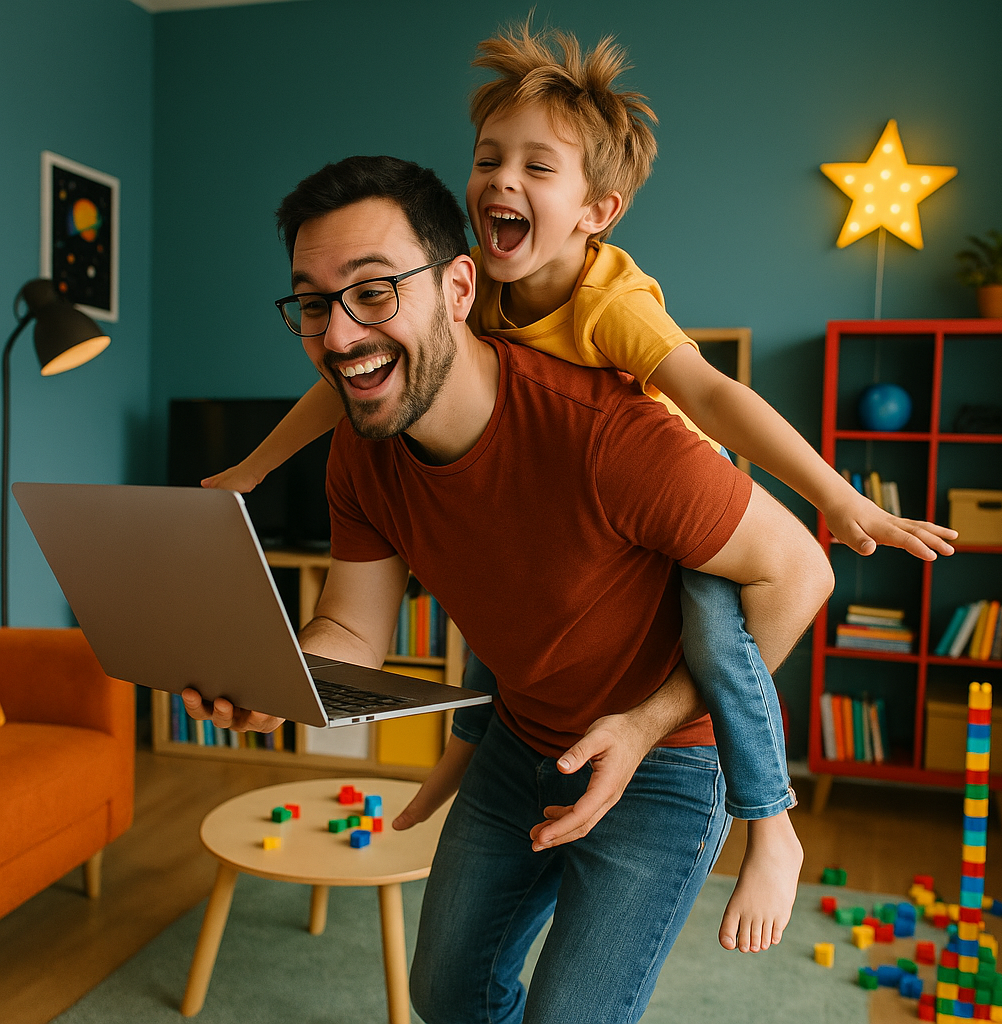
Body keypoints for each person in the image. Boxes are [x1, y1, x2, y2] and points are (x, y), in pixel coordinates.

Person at [201, 24, 956, 954]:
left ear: (599, 209)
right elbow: (342, 389)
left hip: (681, 547)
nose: (502, 182)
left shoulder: (610, 319)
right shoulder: (441, 339)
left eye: (538, 167)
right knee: (505, 619)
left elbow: (716, 397)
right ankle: (463, 760)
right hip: (542, 678)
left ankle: (772, 821)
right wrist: (258, 511)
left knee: (721, 647)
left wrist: (838, 498)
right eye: (489, 159)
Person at [182, 153, 835, 1023]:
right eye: (312, 303)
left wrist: (644, 726)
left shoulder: (612, 439)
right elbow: (350, 627)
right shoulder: (360, 454)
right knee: (445, 993)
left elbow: (801, 573)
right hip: (519, 742)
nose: (337, 336)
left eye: (374, 292)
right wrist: (277, 681)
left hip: (669, 765)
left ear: (459, 286)